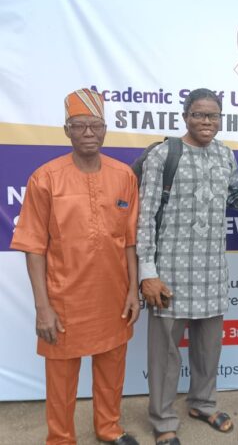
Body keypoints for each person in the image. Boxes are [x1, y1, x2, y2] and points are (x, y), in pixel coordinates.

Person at [10, 88, 140, 445]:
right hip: (64, 298)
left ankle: (109, 428)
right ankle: (61, 438)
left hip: (113, 295)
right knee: (61, 377)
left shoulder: (124, 176)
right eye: (79, 126)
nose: (88, 133)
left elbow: (130, 239)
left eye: (95, 125)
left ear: (105, 129)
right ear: (67, 130)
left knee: (112, 368)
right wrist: (43, 308)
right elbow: (33, 247)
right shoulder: (46, 178)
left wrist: (133, 290)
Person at [136, 88, 238, 445]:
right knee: (164, 355)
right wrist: (147, 273)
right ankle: (163, 419)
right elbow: (145, 216)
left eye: (213, 116)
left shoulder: (226, 155)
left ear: (220, 119)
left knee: (208, 349)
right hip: (170, 273)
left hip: (212, 272)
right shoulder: (164, 155)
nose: (206, 121)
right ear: (185, 116)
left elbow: (235, 198)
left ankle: (202, 403)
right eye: (199, 114)